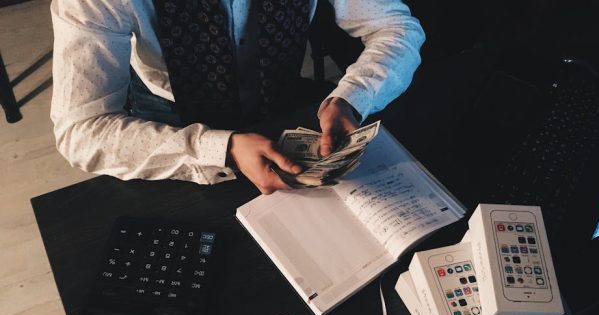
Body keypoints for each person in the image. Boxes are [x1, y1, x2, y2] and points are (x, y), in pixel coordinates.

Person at [50, 0, 425, 194]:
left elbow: (396, 27)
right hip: (169, 120)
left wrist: (353, 97)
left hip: (283, 100)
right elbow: (80, 130)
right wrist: (222, 149)